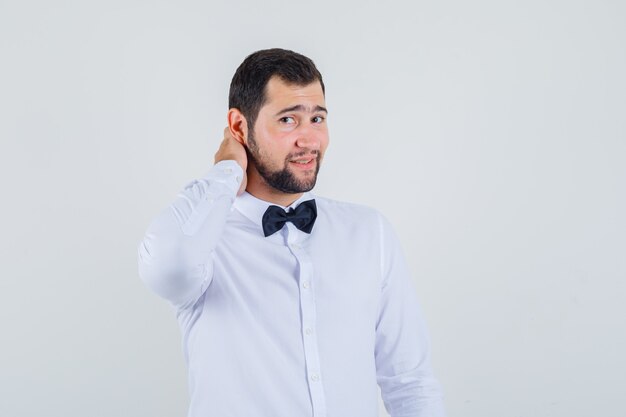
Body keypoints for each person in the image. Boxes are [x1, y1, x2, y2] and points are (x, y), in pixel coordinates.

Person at [138, 48, 445, 417]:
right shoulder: (204, 241)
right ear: (239, 127)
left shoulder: (369, 233)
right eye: (288, 120)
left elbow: (409, 382)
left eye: (317, 118)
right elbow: (166, 266)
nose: (310, 140)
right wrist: (225, 172)